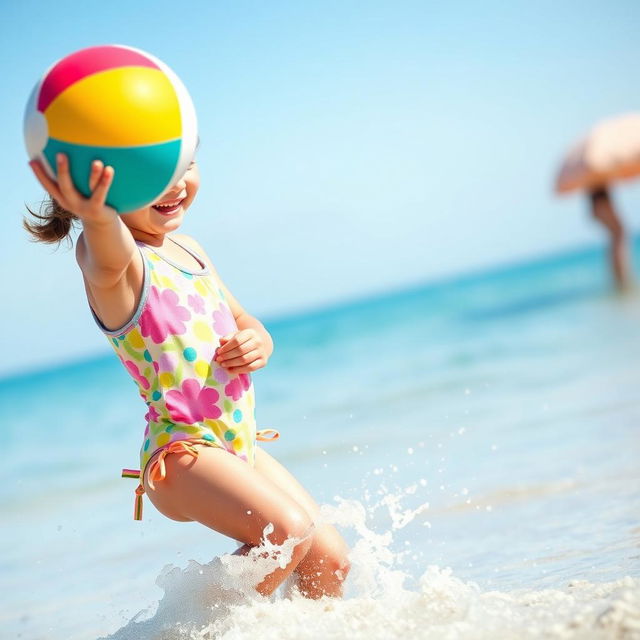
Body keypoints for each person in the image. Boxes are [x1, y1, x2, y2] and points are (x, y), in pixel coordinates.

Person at [25, 152, 351, 600]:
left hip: (235, 441)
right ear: (102, 193)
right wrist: (97, 214)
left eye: (184, 167)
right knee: (285, 533)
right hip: (180, 452)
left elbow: (243, 318)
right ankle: (186, 629)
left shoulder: (191, 250)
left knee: (329, 559)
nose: (175, 185)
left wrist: (259, 339)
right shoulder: (118, 264)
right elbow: (107, 253)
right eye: (152, 177)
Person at [589, 187, 632, 291]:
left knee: (616, 236)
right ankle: (621, 279)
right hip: (601, 202)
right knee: (619, 234)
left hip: (599, 202)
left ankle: (620, 279)